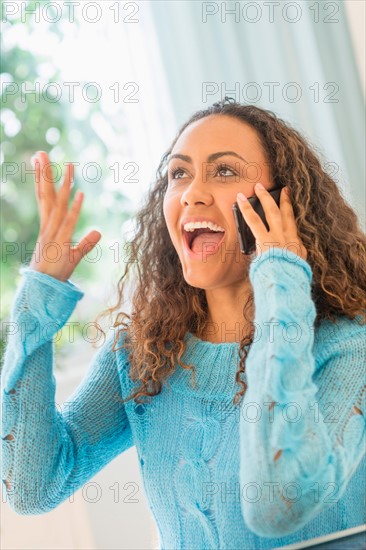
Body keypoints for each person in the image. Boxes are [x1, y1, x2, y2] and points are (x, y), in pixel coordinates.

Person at [1, 97, 365, 550]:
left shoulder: (350, 350)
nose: (192, 192)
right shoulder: (142, 355)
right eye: (179, 173)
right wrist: (39, 295)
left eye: (225, 171)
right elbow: (31, 486)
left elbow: (277, 505)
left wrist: (281, 275)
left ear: (282, 206)